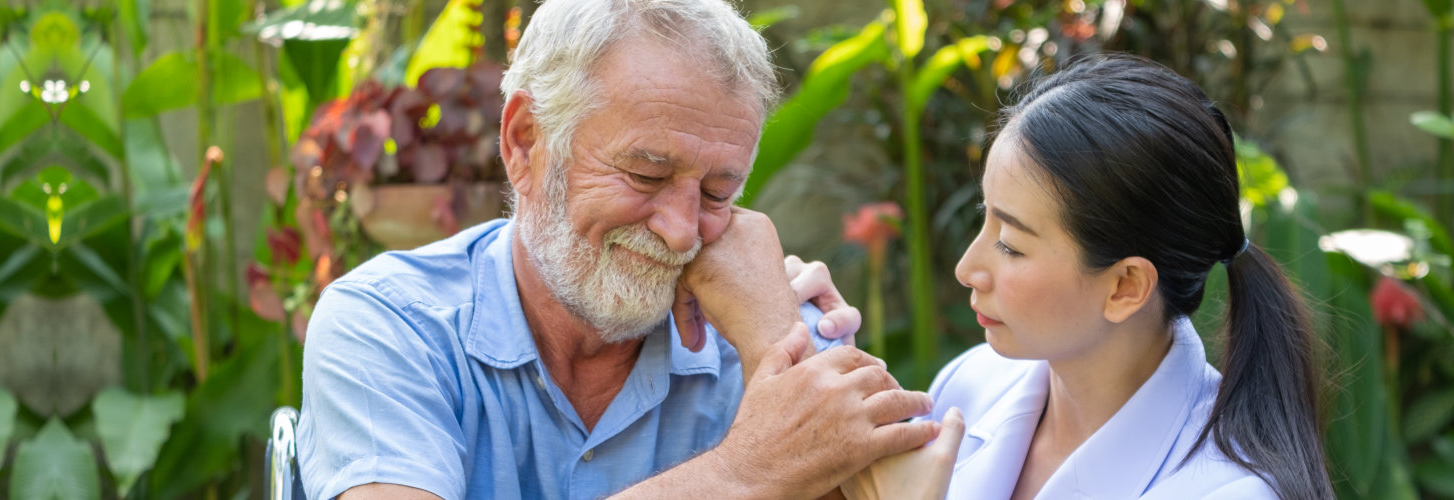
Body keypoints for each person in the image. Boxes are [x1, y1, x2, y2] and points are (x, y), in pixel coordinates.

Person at [294, 0, 942, 497]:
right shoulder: (388, 322)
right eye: (647, 175)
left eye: (719, 192)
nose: (683, 230)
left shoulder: (760, 326)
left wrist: (779, 344)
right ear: (524, 142)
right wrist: (746, 474)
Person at [835, 54, 1333, 500]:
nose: (967, 269)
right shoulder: (972, 381)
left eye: (1010, 244)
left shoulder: (1229, 492)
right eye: (986, 217)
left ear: (1125, 287)